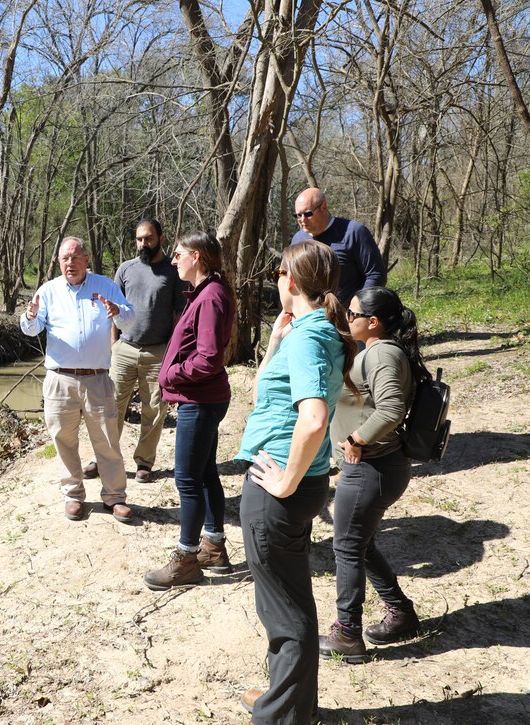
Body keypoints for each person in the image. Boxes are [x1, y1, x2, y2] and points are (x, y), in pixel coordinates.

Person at [235, 240, 358, 724]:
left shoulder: (309, 339)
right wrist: (273, 343)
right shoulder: (310, 332)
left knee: (287, 615)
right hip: (294, 483)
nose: (275, 282)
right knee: (289, 603)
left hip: (279, 488)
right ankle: (287, 702)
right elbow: (264, 390)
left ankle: (283, 716)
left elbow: (313, 418)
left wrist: (285, 480)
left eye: (277, 274)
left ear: (291, 279)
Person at [319, 287, 426, 664]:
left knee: (347, 547)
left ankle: (347, 633)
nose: (349, 320)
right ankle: (401, 613)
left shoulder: (382, 353)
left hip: (372, 468)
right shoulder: (376, 350)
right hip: (373, 467)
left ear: (373, 321)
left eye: (352, 314)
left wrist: (356, 438)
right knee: (359, 544)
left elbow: (392, 407)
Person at [21, 236, 137, 523]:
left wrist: (117, 311)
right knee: (63, 440)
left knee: (108, 439)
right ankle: (73, 495)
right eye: (64, 258)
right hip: (60, 379)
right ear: (59, 262)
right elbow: (32, 329)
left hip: (98, 379)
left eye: (75, 257)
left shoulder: (106, 286)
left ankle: (115, 497)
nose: (70, 263)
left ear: (86, 259)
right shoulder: (48, 291)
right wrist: (30, 315)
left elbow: (130, 318)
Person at [143, 231, 235, 589]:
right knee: (205, 471)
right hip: (203, 397)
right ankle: (214, 547)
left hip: (199, 400)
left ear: (196, 257)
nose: (173, 260)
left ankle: (186, 559)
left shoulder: (210, 296)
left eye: (179, 254)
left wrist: (173, 375)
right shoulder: (206, 292)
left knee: (187, 479)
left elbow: (209, 358)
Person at [85, 218, 185, 484]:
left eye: (149, 238)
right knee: (111, 405)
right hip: (124, 349)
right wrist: (113, 345)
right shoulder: (126, 269)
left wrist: (172, 349)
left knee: (154, 408)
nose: (144, 244)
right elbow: (112, 310)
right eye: (140, 239)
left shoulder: (173, 271)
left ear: (161, 239)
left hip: (158, 351)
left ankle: (144, 462)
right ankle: (103, 457)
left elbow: (179, 313)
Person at [291, 187, 387, 307]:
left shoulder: (354, 232)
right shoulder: (297, 240)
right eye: (298, 215)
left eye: (308, 214)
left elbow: (375, 274)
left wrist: (357, 309)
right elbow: (290, 278)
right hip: (311, 318)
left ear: (324, 207)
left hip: (347, 318)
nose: (302, 220)